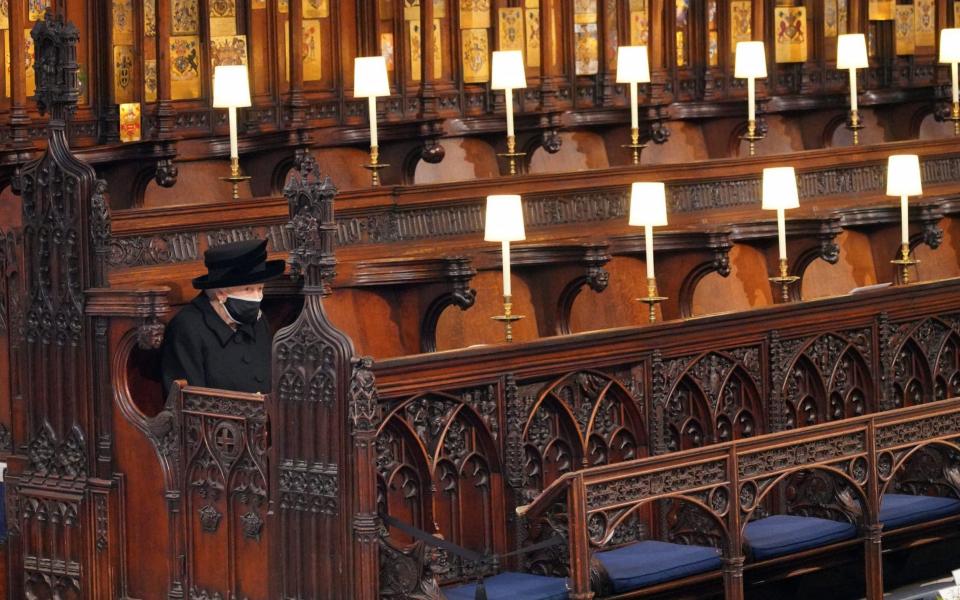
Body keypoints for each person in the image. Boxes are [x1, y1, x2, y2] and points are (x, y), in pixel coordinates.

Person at [161, 238, 285, 395]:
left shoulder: (259, 321)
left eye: (260, 288)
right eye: (248, 289)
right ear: (221, 292)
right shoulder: (187, 328)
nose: (257, 297)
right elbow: (188, 403)